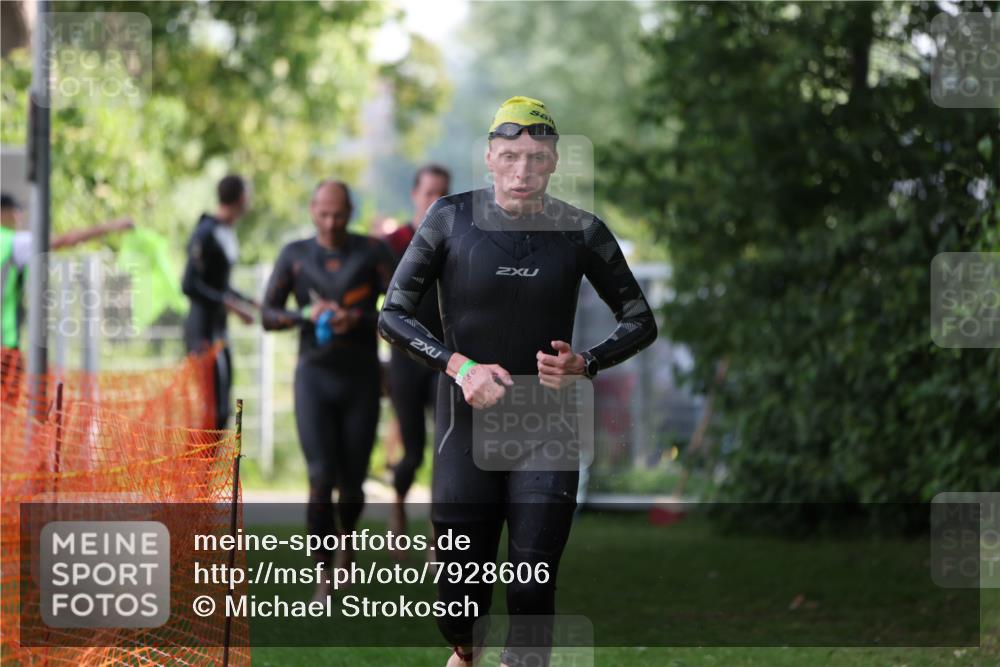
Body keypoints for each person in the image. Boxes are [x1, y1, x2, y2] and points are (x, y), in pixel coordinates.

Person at [378, 97, 657, 666]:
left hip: (547, 424)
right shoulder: (449, 218)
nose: (522, 171)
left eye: (535, 157)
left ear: (553, 161)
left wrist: (587, 361)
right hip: (465, 424)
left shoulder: (581, 230)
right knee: (458, 612)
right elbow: (392, 314)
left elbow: (640, 320)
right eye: (509, 156)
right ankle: (466, 651)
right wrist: (460, 367)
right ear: (489, 158)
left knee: (531, 591)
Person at [261, 180, 394, 599]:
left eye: (338, 214)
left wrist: (358, 318)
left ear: (350, 211)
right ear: (311, 210)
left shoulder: (373, 253)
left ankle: (347, 545)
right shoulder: (296, 256)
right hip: (314, 379)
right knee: (320, 476)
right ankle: (323, 570)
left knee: (352, 483)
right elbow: (266, 314)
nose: (331, 223)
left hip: (361, 379)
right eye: (323, 214)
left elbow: (405, 311)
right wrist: (306, 315)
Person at [382, 164, 451, 543]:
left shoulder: (457, 241)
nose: (435, 201)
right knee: (413, 454)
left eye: (443, 193)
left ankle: (436, 534)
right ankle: (398, 507)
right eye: (429, 193)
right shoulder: (393, 244)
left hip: (446, 361)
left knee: (447, 452)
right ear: (414, 195)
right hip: (406, 361)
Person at [1, 193, 134, 353]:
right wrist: (111, 226)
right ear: (3, 213)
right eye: (16, 211)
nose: (20, 217)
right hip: (5, 340)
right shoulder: (13, 241)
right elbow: (65, 240)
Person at [181, 175, 256, 430]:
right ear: (241, 198)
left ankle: (210, 469)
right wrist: (230, 305)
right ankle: (198, 469)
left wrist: (248, 301)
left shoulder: (226, 231)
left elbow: (219, 284)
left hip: (219, 330)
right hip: (202, 331)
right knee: (210, 411)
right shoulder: (206, 231)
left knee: (222, 410)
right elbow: (189, 284)